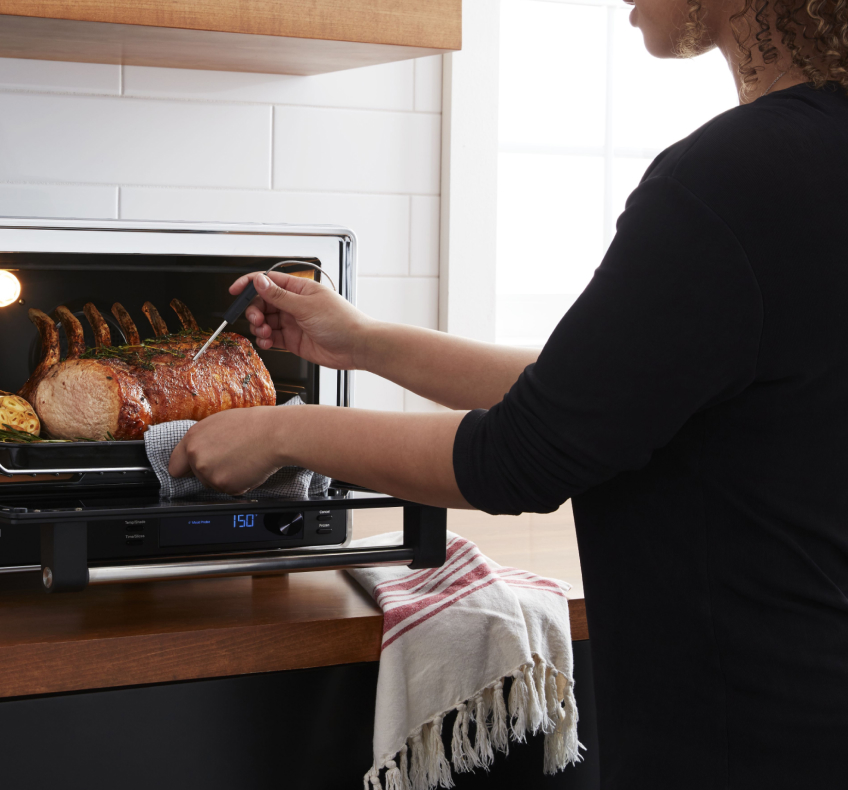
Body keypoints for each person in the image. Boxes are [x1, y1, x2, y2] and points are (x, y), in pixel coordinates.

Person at [168, 1, 848, 786]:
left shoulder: (734, 174)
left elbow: (519, 457)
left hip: (747, 735)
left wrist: (283, 432)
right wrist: (359, 343)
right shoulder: (811, 158)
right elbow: (607, 388)